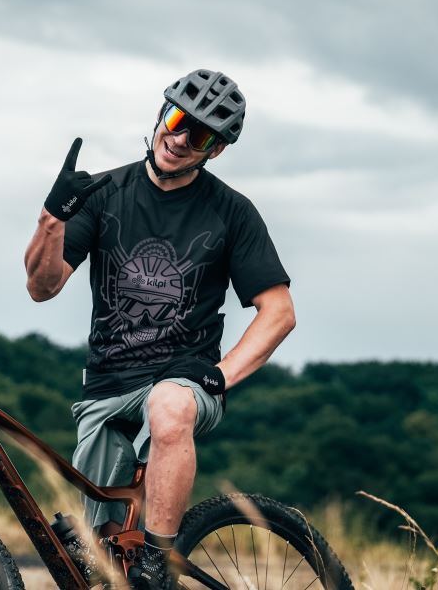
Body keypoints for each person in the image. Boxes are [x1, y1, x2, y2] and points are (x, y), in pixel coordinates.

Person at [25, 69, 296, 589]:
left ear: (214, 151)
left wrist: (220, 376)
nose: (178, 138)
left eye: (198, 135)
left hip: (185, 379)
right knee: (100, 563)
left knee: (168, 406)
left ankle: (159, 563)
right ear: (158, 115)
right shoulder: (105, 194)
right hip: (107, 387)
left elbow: (278, 311)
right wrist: (51, 218)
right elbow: (43, 286)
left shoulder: (232, 213)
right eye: (175, 120)